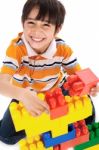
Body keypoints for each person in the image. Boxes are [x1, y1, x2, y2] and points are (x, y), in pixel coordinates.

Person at [0, 0, 98, 145]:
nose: (36, 31)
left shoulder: (62, 48)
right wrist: (21, 94)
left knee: (89, 118)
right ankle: (44, 124)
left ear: (57, 29)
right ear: (23, 23)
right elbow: (2, 83)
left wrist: (90, 86)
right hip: (27, 96)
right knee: (6, 136)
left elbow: (78, 75)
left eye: (46, 25)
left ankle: (53, 123)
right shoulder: (16, 49)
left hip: (57, 90)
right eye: (31, 23)